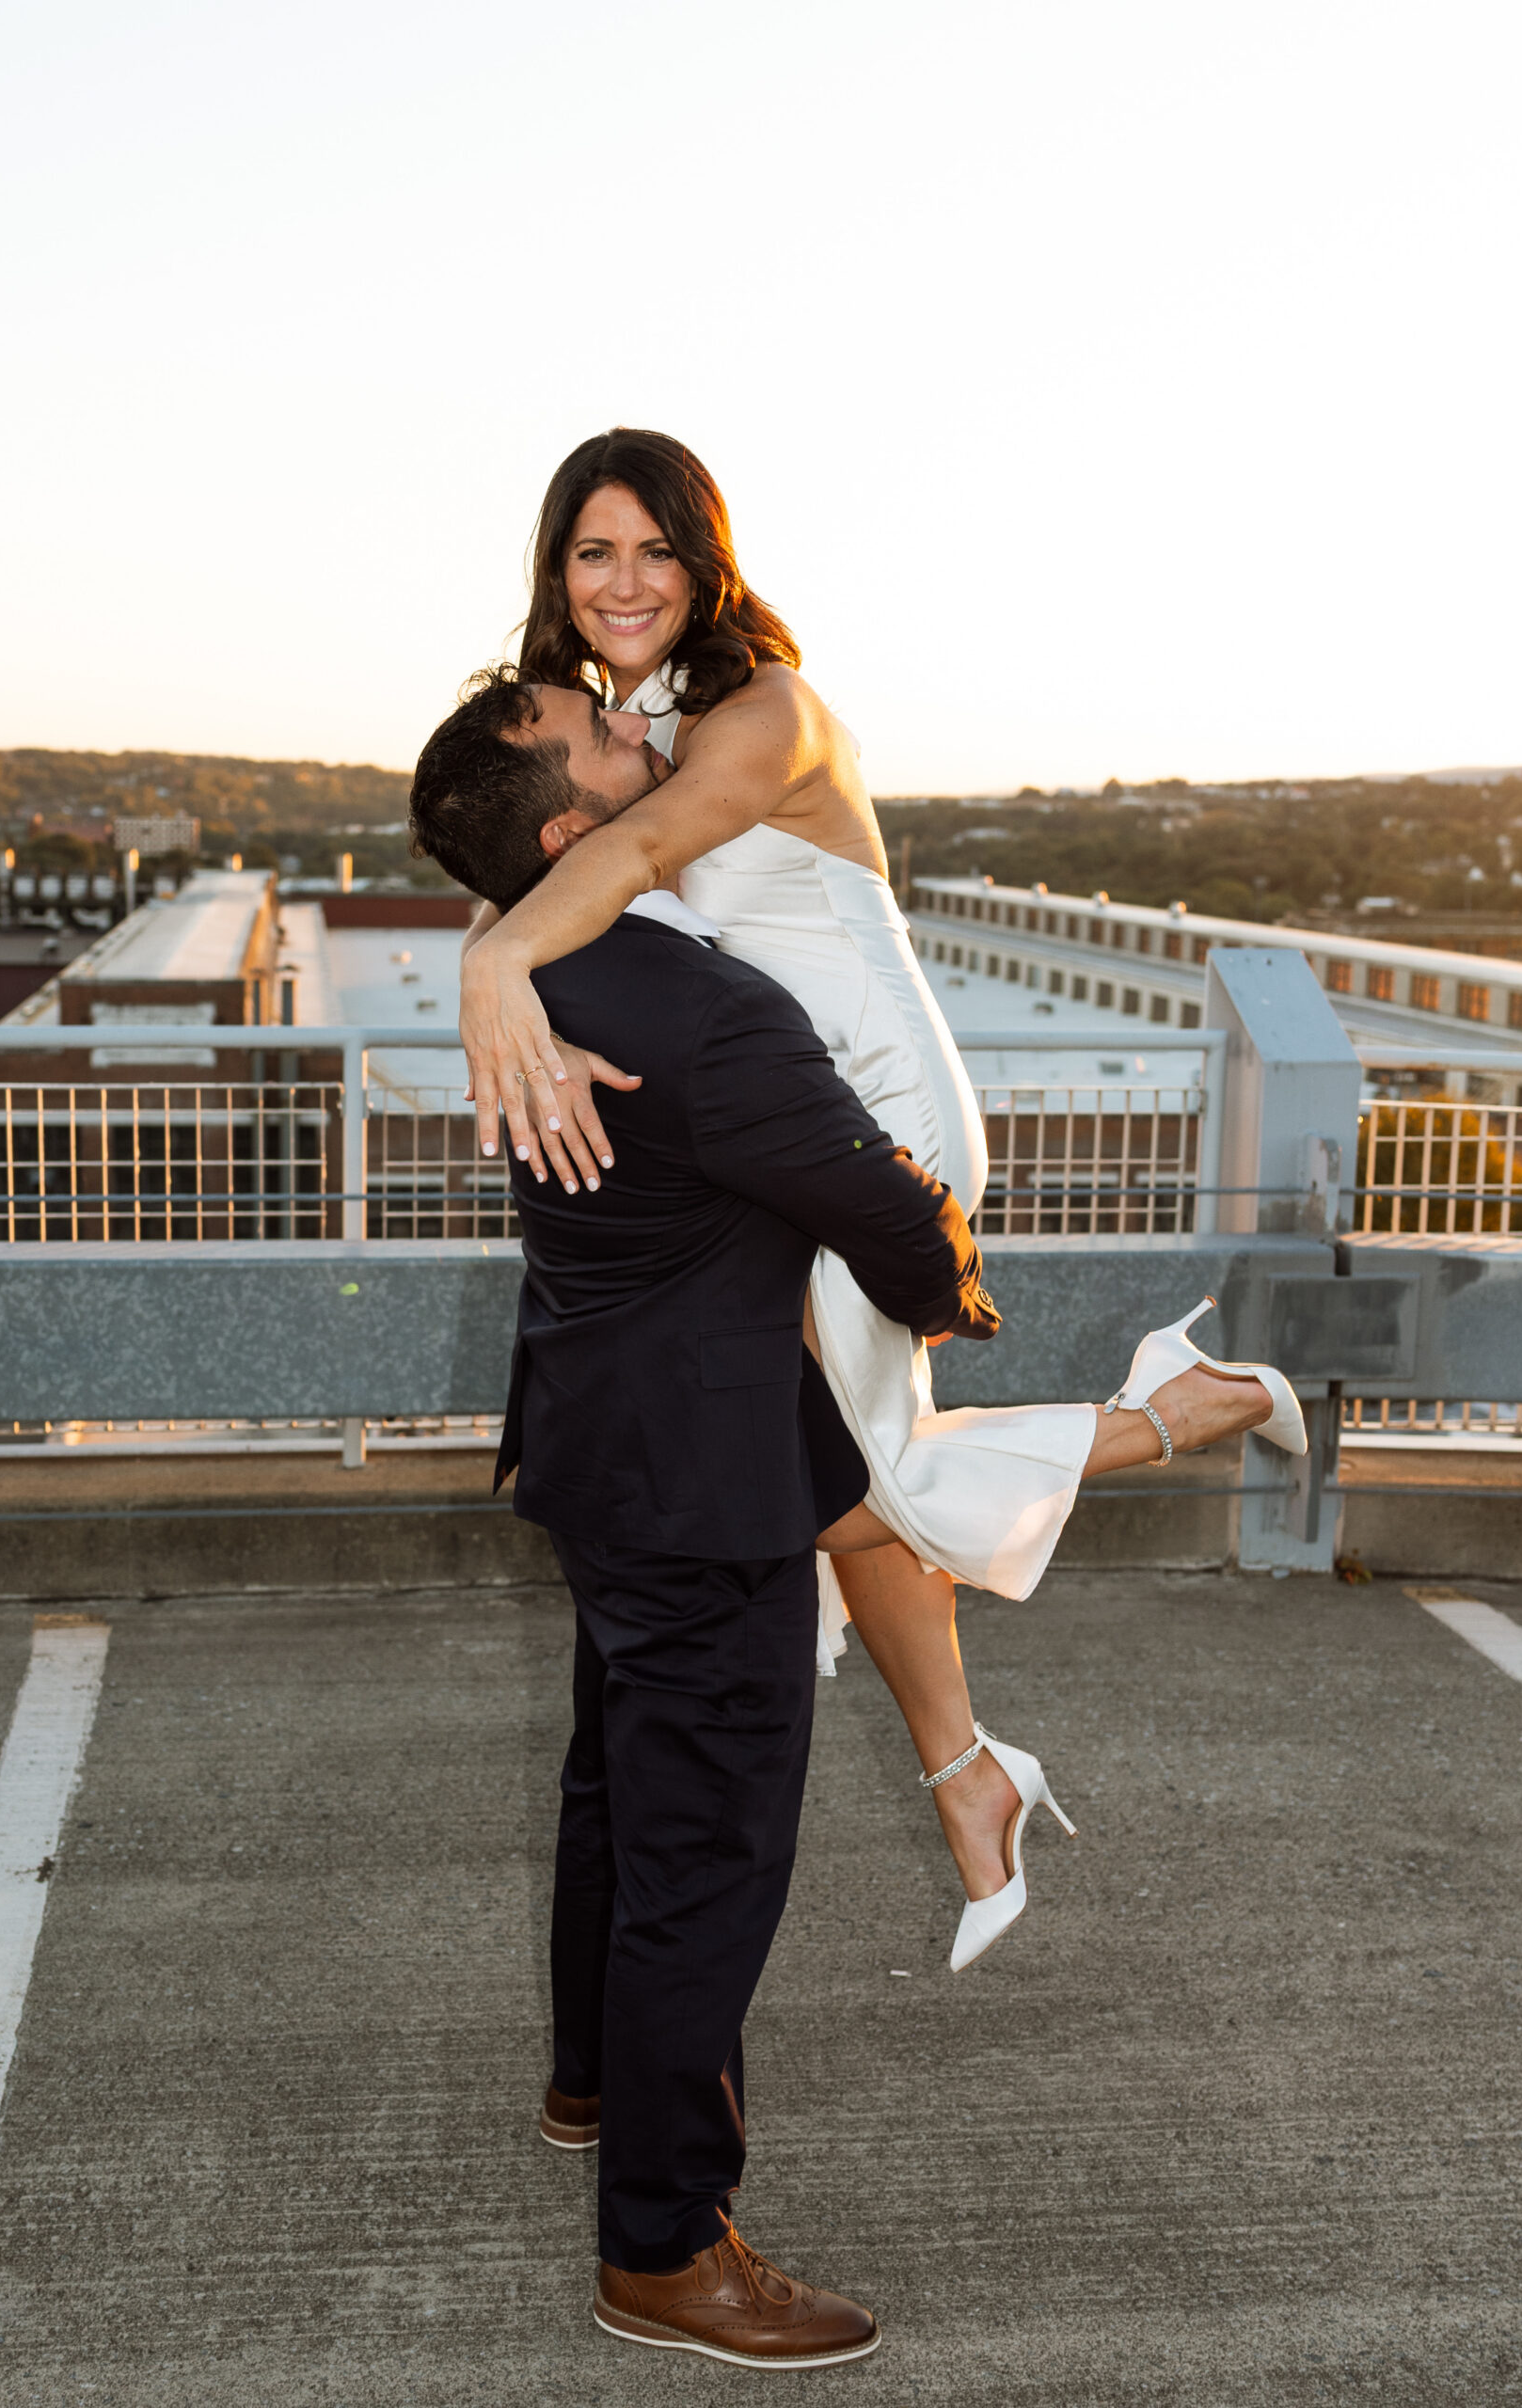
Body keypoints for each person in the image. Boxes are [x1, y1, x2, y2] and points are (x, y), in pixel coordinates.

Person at [433, 429, 1307, 1969]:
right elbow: (532, 846)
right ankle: (968, 1775)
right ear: (557, 574)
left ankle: (1189, 1407)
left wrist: (496, 960)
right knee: (835, 1467)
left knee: (853, 1474)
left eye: (655, 551)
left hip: (879, 1110)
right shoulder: (613, 719)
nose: (624, 582)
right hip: (778, 1119)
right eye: (592, 553)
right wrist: (487, 951)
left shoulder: (762, 715)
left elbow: (623, 852)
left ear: (708, 564)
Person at [416, 716, 1006, 2366]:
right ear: (566, 843)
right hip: (705, 1478)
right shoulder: (701, 1006)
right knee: (710, 1856)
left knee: (615, 1785)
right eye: (599, 741)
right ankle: (665, 2251)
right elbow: (882, 1210)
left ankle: (589, 2084)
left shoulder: (537, 989)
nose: (638, 740)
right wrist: (953, 1291)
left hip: (597, 1449)